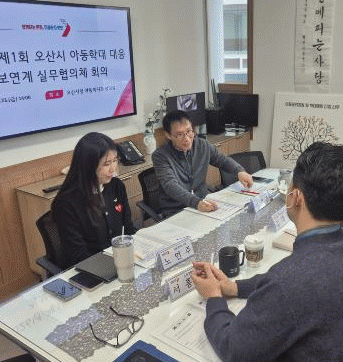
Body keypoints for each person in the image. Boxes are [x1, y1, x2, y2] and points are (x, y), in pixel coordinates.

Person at [192, 143, 343, 362]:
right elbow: (288, 281)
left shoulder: (289, 282)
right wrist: (234, 287)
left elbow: (234, 349)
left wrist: (214, 298)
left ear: (295, 198)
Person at [52, 132, 136, 269]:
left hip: (121, 260)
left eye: (115, 160)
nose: (113, 169)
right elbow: (78, 255)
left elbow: (128, 228)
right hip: (91, 268)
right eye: (106, 164)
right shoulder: (66, 203)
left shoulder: (116, 186)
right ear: (88, 165)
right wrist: (114, 265)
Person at [152, 110, 253, 217]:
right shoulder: (160, 156)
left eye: (189, 131)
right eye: (179, 134)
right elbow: (170, 186)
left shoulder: (201, 145)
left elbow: (222, 160)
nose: (187, 139)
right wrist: (196, 203)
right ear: (168, 135)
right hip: (177, 210)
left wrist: (239, 171)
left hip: (203, 201)